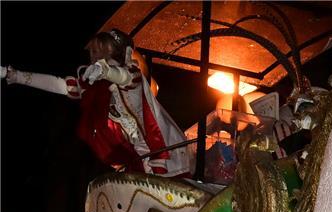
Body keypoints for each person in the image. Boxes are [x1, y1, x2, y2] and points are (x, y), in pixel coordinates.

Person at [1, 30, 190, 176]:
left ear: (111, 50)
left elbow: (125, 78)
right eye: (92, 50)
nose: (92, 55)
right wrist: (13, 75)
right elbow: (60, 85)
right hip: (133, 163)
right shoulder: (95, 87)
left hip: (164, 159)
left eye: (98, 49)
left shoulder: (132, 77)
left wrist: (106, 71)